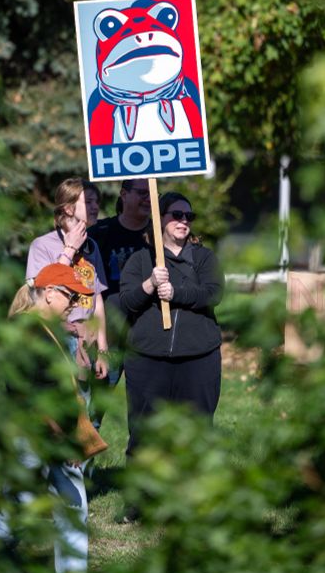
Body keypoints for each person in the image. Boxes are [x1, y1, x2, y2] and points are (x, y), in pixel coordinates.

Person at [7, 262, 106, 573]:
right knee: (13, 513)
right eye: (70, 296)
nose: (74, 304)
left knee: (72, 509)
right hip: (35, 438)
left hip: (54, 439)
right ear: (49, 293)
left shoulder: (49, 331)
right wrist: (63, 440)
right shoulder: (28, 331)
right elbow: (29, 393)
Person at [119, 190, 224, 456]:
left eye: (189, 216)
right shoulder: (141, 259)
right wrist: (149, 284)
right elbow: (127, 302)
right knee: (144, 434)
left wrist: (176, 293)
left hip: (198, 358)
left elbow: (214, 293)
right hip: (148, 359)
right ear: (159, 219)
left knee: (197, 434)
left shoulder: (203, 258)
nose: (184, 221)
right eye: (176, 215)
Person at [26, 178, 109, 384]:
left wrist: (103, 349)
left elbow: (96, 298)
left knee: (85, 411)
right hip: (57, 340)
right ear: (69, 209)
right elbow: (41, 295)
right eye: (88, 202)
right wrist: (69, 250)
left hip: (86, 341)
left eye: (96, 201)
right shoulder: (42, 245)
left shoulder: (92, 247)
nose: (95, 206)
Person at [88, 178, 151, 385]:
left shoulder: (160, 235)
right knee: (94, 406)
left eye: (152, 193)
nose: (148, 199)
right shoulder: (99, 233)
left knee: (148, 409)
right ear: (124, 195)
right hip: (110, 336)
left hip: (150, 336)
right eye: (142, 193)